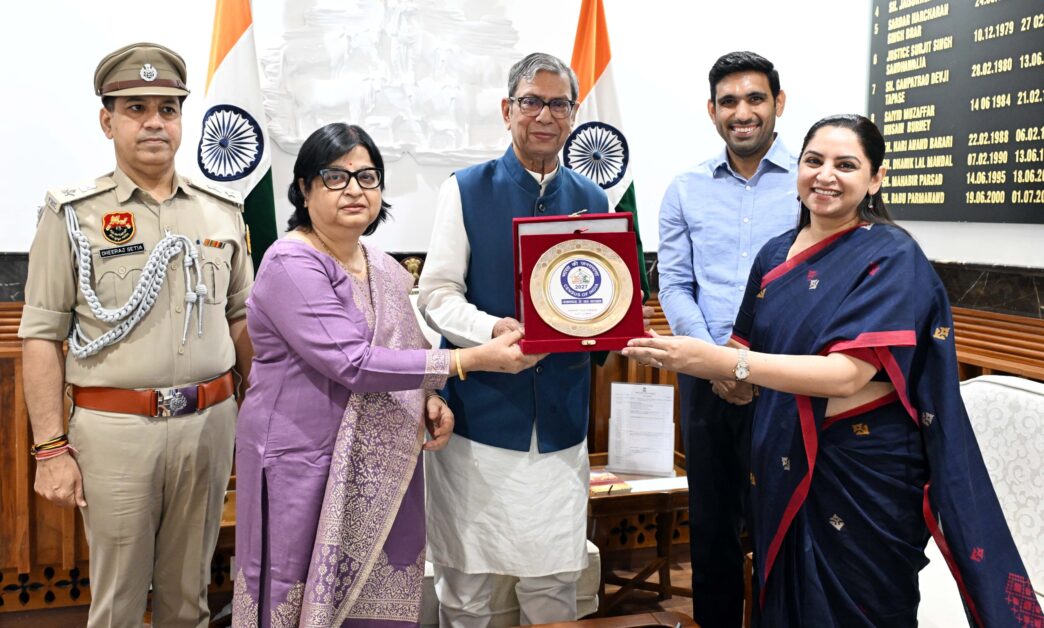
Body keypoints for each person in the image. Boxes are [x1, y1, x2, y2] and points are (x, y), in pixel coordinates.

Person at [625, 114, 1043, 626]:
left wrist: (721, 362)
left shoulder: (891, 256)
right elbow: (743, 355)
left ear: (875, 178)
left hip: (862, 472)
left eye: (846, 165)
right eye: (814, 161)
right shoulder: (774, 255)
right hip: (781, 459)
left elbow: (847, 375)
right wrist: (713, 374)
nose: (825, 175)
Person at [232, 122, 539, 627]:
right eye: (335, 176)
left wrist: (431, 398)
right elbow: (352, 362)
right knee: (294, 587)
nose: (354, 189)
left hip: (383, 468)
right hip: (302, 460)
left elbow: (409, 352)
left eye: (367, 177)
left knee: (378, 597)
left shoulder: (386, 269)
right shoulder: (290, 262)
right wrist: (467, 360)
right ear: (304, 188)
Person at [19, 43, 254, 627]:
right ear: (108, 121)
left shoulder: (223, 211)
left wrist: (265, 414)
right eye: (136, 108)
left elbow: (242, 320)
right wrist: (50, 450)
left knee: (190, 598)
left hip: (209, 426)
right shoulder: (72, 215)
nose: (154, 122)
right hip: (116, 433)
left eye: (168, 109)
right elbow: (41, 336)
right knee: (119, 603)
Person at [418, 52, 654, 626]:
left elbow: (605, 297)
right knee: (467, 591)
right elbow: (437, 293)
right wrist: (491, 330)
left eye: (558, 104)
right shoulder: (465, 189)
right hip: (479, 420)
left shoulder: (595, 199)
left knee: (554, 585)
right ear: (507, 110)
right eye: (531, 102)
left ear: (573, 114)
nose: (544, 115)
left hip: (560, 422)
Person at [656, 50, 797, 627]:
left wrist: (751, 367)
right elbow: (673, 284)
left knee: (781, 523)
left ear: (778, 103)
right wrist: (718, 362)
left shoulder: (810, 182)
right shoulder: (684, 188)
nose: (743, 112)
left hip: (786, 379)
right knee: (712, 526)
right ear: (712, 110)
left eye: (755, 98)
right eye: (729, 101)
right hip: (705, 379)